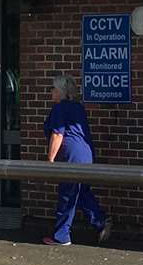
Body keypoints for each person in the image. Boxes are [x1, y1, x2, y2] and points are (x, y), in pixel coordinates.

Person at [43, 75, 110, 246]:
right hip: (86, 155)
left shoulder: (59, 109)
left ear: (60, 92)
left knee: (68, 194)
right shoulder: (78, 108)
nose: (51, 91)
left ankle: (61, 235)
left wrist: (49, 160)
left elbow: (58, 134)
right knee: (82, 193)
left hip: (71, 157)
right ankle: (100, 221)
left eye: (53, 88)